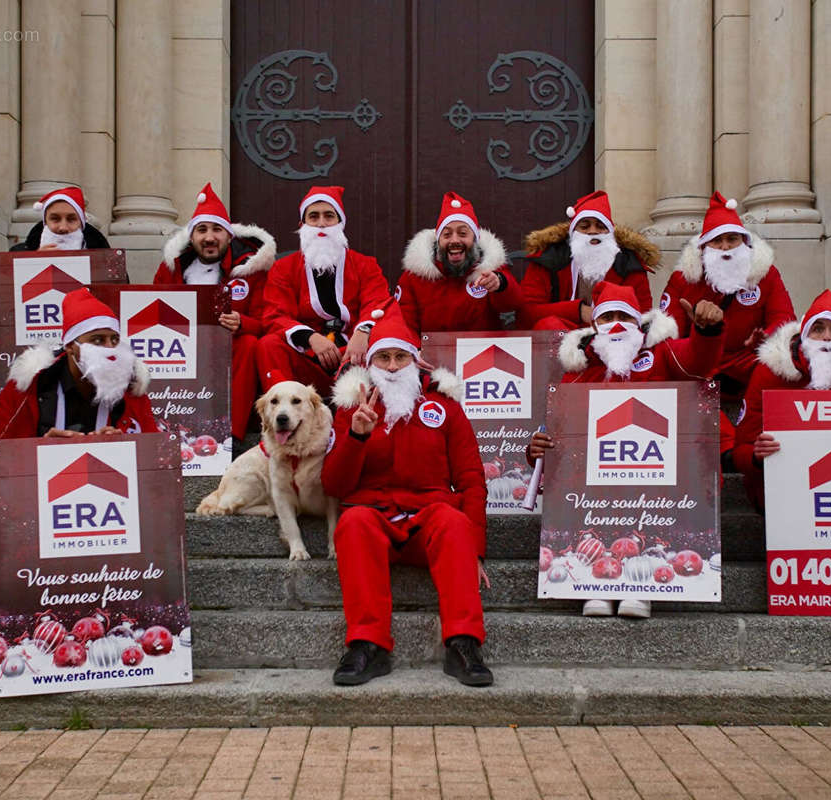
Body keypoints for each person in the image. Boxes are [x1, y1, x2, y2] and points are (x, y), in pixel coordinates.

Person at [527, 282, 724, 619]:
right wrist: (535, 451)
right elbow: (556, 435)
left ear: (639, 322)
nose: (616, 325)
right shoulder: (576, 376)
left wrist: (708, 331)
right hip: (595, 483)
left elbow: (697, 361)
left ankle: (639, 586)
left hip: (657, 475)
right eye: (607, 317)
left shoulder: (663, 354)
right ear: (594, 327)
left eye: (624, 317)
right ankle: (594, 583)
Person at [323, 308, 492, 687]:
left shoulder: (444, 406)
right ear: (371, 363)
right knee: (353, 522)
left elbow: (470, 479)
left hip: (429, 519)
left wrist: (474, 549)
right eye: (384, 357)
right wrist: (357, 437)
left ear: (416, 360)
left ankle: (463, 643)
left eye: (401, 356)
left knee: (453, 521)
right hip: (375, 518)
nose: (394, 366)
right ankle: (367, 645)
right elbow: (334, 485)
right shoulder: (351, 407)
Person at [732, 289, 831, 510]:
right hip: (784, 493)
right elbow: (741, 452)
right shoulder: (770, 374)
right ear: (804, 335)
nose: (827, 337)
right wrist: (757, 456)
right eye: (818, 328)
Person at [153, 183, 277, 439]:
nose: (209, 237)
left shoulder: (250, 268)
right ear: (192, 236)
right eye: (202, 230)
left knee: (250, 344)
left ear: (229, 235)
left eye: (217, 230)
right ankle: (167, 431)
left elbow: (267, 318)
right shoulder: (173, 268)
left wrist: (243, 322)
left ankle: (232, 435)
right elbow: (153, 309)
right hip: (181, 345)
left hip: (230, 345)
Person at [256, 186, 392, 400]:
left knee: (384, 347)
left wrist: (363, 332)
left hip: (354, 355)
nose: (321, 223)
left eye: (329, 216)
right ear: (302, 225)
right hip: (307, 356)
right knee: (268, 345)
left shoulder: (365, 265)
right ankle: (284, 416)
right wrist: (310, 337)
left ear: (340, 223)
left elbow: (379, 304)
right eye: (313, 217)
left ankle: (365, 423)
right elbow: (274, 315)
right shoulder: (283, 268)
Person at [659, 192, 794, 394]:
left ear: (744, 243)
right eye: (717, 241)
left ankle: (754, 421)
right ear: (704, 248)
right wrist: (697, 340)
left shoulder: (766, 275)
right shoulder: (683, 280)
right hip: (700, 360)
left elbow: (784, 319)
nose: (725, 248)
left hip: (748, 359)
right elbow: (667, 334)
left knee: (780, 365)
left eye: (732, 239)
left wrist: (766, 338)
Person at [0, 288, 158, 438]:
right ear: (70, 346)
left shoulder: (132, 389)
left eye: (114, 340)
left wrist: (123, 445)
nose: (110, 349)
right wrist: (40, 449)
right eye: (98, 340)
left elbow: (155, 456)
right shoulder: (31, 385)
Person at [520, 191, 658, 330]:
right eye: (585, 226)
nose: (593, 232)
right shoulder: (549, 259)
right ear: (573, 232)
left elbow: (643, 314)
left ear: (610, 233)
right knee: (548, 326)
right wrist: (578, 311)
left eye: (600, 226)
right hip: (564, 334)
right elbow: (527, 313)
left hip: (611, 335)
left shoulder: (628, 264)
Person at [396, 191, 523, 336]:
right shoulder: (413, 278)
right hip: (429, 357)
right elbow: (404, 326)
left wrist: (500, 283)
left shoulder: (490, 270)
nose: (454, 240)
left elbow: (513, 304)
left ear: (475, 240)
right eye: (447, 235)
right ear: (438, 242)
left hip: (484, 355)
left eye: (463, 234)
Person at [11, 186, 110, 251]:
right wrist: (35, 261)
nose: (63, 228)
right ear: (45, 222)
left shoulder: (104, 257)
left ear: (81, 222)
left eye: (71, 219)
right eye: (55, 219)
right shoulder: (17, 255)